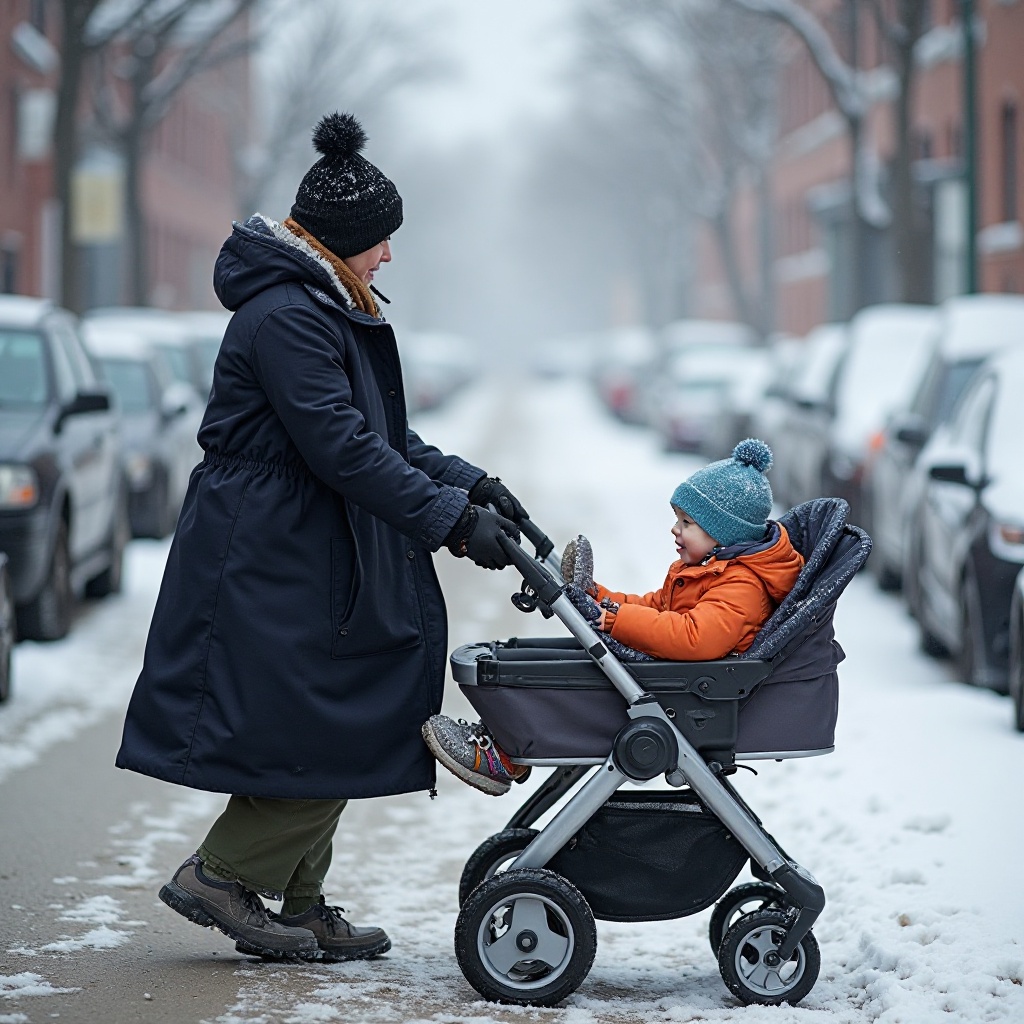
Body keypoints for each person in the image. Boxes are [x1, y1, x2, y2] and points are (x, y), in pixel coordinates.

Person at [114, 112, 529, 962]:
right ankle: (222, 875)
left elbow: (381, 436)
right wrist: (453, 523)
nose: (388, 255)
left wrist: (469, 483)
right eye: (380, 240)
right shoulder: (289, 319)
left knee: (342, 715)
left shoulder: (327, 305)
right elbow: (341, 448)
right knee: (327, 721)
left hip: (307, 545)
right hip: (268, 552)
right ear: (341, 242)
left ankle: (299, 900)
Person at [422, 438, 805, 796]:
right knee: (569, 661)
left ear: (724, 534)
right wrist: (600, 598)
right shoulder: (708, 569)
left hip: (689, 688)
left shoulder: (741, 586)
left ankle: (503, 754)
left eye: (687, 523)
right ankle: (505, 739)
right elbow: (656, 606)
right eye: (677, 519)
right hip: (674, 675)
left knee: (577, 683)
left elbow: (695, 637)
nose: (675, 529)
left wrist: (614, 621)